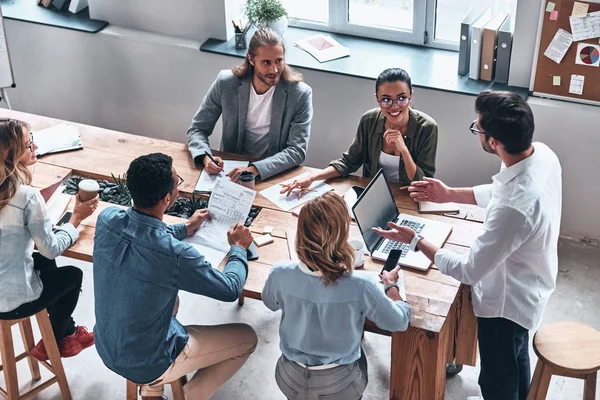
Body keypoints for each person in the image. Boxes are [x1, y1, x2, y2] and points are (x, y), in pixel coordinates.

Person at [373, 91, 562, 400]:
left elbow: (469, 270)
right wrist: (448, 194)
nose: (476, 128)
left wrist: (416, 239)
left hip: (505, 304)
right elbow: (501, 191)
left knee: (496, 381)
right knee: (517, 358)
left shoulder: (515, 208)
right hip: (532, 282)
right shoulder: (540, 155)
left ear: (493, 142)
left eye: (478, 128)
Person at [92, 153, 258, 400]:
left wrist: (184, 227)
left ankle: (152, 389)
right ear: (168, 198)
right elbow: (230, 288)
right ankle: (187, 395)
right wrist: (238, 248)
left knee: (173, 301)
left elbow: (143, 233)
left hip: (107, 345)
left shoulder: (106, 220)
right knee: (248, 338)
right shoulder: (175, 255)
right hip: (149, 361)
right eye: (177, 182)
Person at [262, 192, 411, 400]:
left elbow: (270, 304)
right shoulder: (361, 284)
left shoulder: (279, 272)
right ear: (341, 236)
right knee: (358, 356)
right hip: (339, 386)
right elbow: (400, 322)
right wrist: (391, 287)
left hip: (289, 377)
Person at [0, 118, 97, 361]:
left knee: (40, 260)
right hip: (11, 302)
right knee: (74, 275)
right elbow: (51, 248)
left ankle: (68, 332)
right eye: (28, 144)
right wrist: (75, 219)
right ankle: (53, 341)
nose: (35, 148)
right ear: (13, 154)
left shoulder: (18, 195)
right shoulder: (26, 197)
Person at [281, 67, 437, 196]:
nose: (395, 106)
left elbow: (423, 183)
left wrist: (403, 150)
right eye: (386, 99)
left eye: (402, 98)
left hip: (410, 198)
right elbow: (349, 162)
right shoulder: (369, 121)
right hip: (374, 195)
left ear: (411, 96)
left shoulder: (427, 128)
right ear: (377, 99)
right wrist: (312, 177)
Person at [187, 27, 313, 181]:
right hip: (231, 171)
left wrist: (252, 170)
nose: (274, 69)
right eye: (266, 62)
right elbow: (198, 129)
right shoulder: (226, 83)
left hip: (271, 173)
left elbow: (296, 150)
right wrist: (207, 158)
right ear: (251, 59)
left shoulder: (300, 94)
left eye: (279, 61)